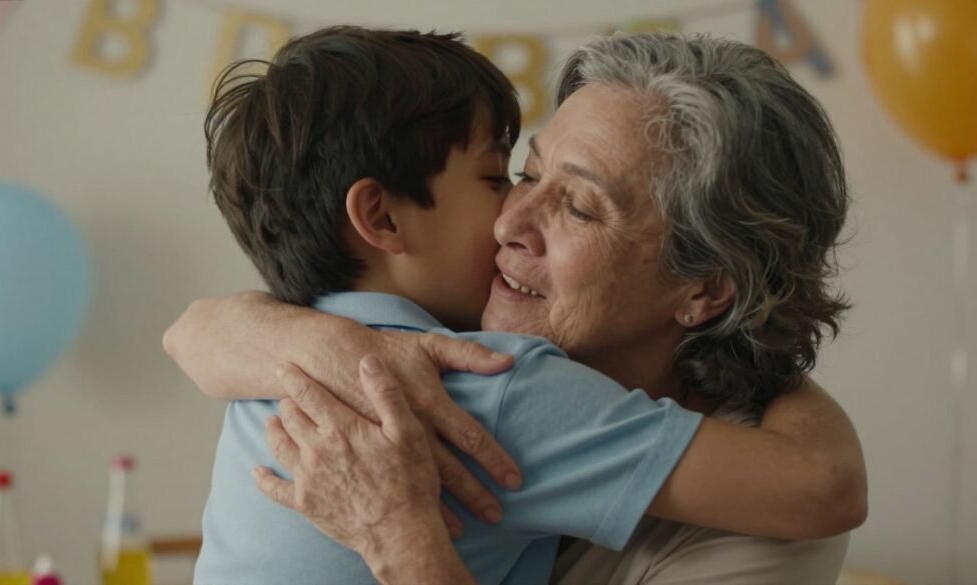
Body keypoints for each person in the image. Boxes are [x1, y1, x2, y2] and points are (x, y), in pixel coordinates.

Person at [167, 28, 866, 585]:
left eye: (581, 207)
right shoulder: (451, 354)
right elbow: (189, 335)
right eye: (519, 175)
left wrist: (402, 540)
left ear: (706, 287)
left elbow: (827, 488)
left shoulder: (760, 531)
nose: (509, 221)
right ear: (379, 217)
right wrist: (324, 348)